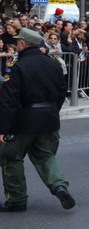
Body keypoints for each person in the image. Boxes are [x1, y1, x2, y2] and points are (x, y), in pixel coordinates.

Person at [0, 28, 75, 212]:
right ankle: (59, 186)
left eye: (18, 42)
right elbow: (61, 91)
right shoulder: (53, 63)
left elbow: (10, 100)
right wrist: (51, 111)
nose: (16, 45)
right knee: (46, 156)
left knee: (11, 157)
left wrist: (3, 129)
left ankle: (16, 200)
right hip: (49, 118)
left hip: (24, 120)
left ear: (24, 44)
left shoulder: (19, 66)